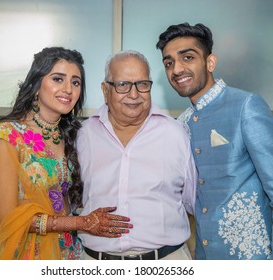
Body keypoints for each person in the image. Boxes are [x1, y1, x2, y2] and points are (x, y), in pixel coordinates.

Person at [0, 47, 131, 260]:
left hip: (70, 250)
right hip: (26, 250)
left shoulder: (74, 134)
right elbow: (8, 217)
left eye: (75, 82)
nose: (68, 89)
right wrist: (79, 223)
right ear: (37, 85)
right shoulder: (8, 135)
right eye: (58, 79)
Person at [156, 22, 273, 260]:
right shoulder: (182, 123)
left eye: (187, 57)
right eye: (169, 63)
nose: (177, 69)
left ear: (210, 62)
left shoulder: (246, 106)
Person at [76, 50, 197, 260]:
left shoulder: (174, 133)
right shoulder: (83, 135)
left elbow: (195, 202)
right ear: (105, 90)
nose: (134, 95)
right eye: (123, 85)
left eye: (142, 84)